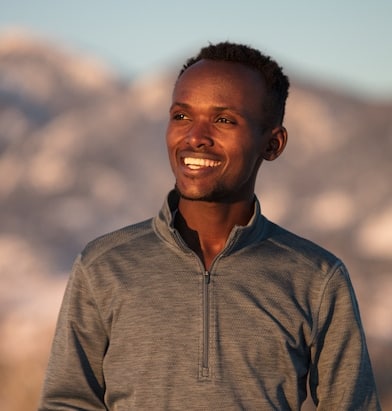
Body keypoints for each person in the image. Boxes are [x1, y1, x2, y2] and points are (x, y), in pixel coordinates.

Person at [39, 42, 381, 410]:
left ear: (273, 143)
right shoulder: (104, 265)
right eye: (182, 116)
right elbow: (68, 403)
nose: (195, 136)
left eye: (224, 120)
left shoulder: (316, 278)